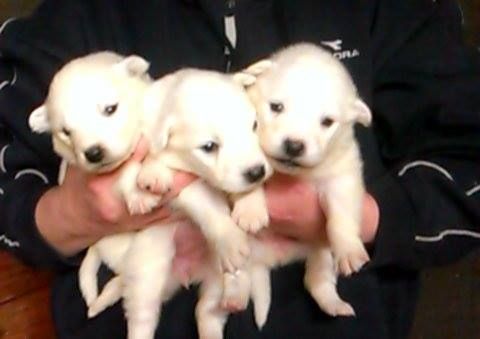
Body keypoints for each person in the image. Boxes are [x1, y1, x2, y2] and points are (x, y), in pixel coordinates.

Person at [0, 0, 479, 338]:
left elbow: (464, 158)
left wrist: (352, 219)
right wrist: (71, 214)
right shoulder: (80, 14)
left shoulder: (393, 11)